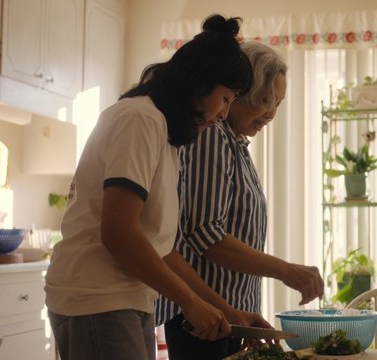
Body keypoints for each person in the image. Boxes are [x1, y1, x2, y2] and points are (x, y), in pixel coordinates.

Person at [44, 15, 270, 360]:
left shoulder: (164, 134)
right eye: (225, 98)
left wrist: (229, 312)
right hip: (97, 297)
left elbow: (160, 248)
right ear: (201, 83)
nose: (224, 113)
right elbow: (118, 234)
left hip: (124, 299)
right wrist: (190, 303)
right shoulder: (140, 119)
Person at [155, 41, 325, 360]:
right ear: (240, 92)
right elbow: (206, 234)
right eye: (265, 100)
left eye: (278, 104)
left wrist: (243, 312)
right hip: (202, 318)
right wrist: (286, 271)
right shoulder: (212, 136)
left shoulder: (235, 144)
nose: (271, 114)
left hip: (226, 316)